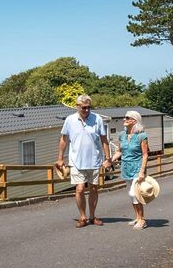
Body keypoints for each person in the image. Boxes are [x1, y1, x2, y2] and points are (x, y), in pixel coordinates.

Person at [57, 94, 112, 228]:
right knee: (80, 189)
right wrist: (60, 158)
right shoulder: (70, 120)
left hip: (94, 160)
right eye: (84, 108)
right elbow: (64, 140)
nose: (87, 110)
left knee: (93, 188)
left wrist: (108, 158)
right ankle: (82, 217)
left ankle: (92, 216)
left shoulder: (97, 119)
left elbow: (104, 140)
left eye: (89, 107)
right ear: (77, 106)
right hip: (76, 160)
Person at [111, 110, 149, 230]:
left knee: (135, 193)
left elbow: (145, 155)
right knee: (131, 195)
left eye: (127, 118)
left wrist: (142, 171)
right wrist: (110, 160)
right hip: (126, 167)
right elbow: (119, 151)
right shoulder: (122, 135)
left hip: (137, 168)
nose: (124, 120)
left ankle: (142, 220)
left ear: (134, 120)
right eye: (124, 118)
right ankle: (137, 217)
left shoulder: (142, 136)